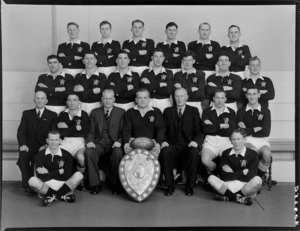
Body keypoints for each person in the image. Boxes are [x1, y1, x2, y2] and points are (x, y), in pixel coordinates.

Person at [160, 88, 202, 196]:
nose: (179, 99)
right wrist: (163, 141)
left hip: (188, 145)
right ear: (174, 97)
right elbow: (163, 129)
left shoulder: (194, 111)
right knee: (165, 152)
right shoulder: (167, 111)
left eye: (182, 96)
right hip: (173, 145)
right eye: (177, 96)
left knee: (194, 152)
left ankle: (189, 186)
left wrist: (196, 142)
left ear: (187, 97)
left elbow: (198, 131)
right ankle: (170, 185)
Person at [17, 91, 57, 195]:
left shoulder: (52, 115)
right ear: (34, 100)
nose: (40, 100)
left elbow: (53, 133)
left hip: (43, 146)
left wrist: (46, 145)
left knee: (40, 160)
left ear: (46, 101)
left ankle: (38, 183)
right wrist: (22, 144)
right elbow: (21, 131)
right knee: (23, 157)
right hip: (29, 146)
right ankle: (28, 185)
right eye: (38, 98)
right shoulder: (26, 114)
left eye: (42, 98)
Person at [207, 128, 262, 206]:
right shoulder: (226, 153)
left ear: (244, 139)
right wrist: (242, 172)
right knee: (211, 178)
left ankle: (229, 197)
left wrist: (232, 173)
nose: (236, 142)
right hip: (229, 186)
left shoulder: (253, 154)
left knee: (258, 180)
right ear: (231, 141)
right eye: (233, 139)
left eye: (238, 139)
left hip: (245, 187)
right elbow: (224, 176)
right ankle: (238, 198)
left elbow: (251, 176)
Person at [85, 89, 125, 195]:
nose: (108, 101)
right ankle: (95, 184)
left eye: (110, 98)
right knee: (89, 152)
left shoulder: (121, 112)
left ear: (114, 99)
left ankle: (115, 184)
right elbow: (91, 131)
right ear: (102, 99)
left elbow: (123, 132)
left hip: (114, 143)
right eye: (105, 98)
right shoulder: (95, 112)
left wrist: (119, 142)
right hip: (99, 143)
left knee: (118, 153)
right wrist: (90, 141)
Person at [28, 130, 83, 206]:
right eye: (51, 140)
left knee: (79, 175)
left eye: (56, 140)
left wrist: (48, 172)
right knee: (32, 181)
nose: (54, 142)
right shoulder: (39, 155)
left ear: (60, 141)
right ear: (47, 140)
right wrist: (59, 172)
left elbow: (66, 175)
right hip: (46, 185)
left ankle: (52, 196)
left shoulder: (67, 155)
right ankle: (62, 196)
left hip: (64, 184)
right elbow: (41, 177)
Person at [237, 86, 272, 180]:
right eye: (249, 94)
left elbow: (266, 132)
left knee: (267, 154)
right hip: (247, 140)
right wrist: (256, 128)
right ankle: (252, 179)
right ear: (246, 96)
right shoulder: (241, 111)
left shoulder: (266, 111)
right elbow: (241, 132)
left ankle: (258, 177)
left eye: (254, 94)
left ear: (259, 95)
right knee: (253, 153)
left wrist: (248, 130)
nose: (252, 97)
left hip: (262, 140)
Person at [201, 90, 236, 179]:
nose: (219, 100)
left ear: (225, 99)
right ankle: (217, 172)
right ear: (213, 99)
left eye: (222, 98)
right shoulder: (207, 111)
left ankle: (222, 178)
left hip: (226, 141)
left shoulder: (231, 112)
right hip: (210, 141)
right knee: (205, 160)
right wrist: (222, 125)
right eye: (217, 98)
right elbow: (205, 129)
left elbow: (230, 130)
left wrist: (213, 126)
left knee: (232, 161)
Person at [123, 88, 164, 157]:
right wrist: (126, 144)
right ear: (136, 100)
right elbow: (127, 130)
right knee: (133, 163)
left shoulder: (156, 112)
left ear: (149, 99)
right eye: (140, 98)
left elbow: (160, 129)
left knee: (150, 163)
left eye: (145, 97)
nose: (142, 100)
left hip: (152, 143)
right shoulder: (130, 112)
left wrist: (158, 143)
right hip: (134, 142)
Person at [57, 93, 89, 180]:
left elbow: (84, 132)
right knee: (60, 159)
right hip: (65, 142)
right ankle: (64, 182)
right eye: (69, 100)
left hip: (79, 142)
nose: (72, 102)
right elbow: (61, 133)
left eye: (74, 100)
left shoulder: (84, 114)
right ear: (67, 102)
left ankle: (80, 180)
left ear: (79, 102)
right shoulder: (62, 114)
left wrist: (67, 128)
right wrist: (76, 128)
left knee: (81, 158)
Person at [174, 51, 206, 117]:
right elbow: (175, 92)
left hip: (196, 104)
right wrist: (191, 89)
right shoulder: (177, 75)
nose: (187, 62)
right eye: (185, 60)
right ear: (182, 61)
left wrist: (182, 89)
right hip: (181, 104)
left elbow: (200, 93)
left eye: (189, 60)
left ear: (193, 61)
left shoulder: (200, 74)